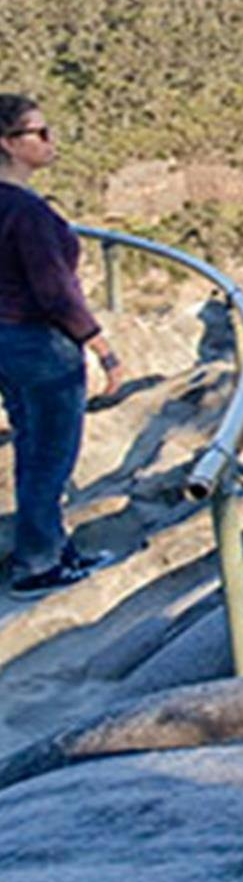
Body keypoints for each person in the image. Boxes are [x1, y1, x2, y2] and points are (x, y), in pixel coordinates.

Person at [0, 95, 121, 596]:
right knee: (52, 453)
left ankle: (51, 545)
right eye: (39, 133)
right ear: (8, 143)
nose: (50, 142)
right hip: (40, 344)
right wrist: (103, 349)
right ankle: (39, 564)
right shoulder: (25, 211)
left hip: (6, 342)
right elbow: (55, 292)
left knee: (33, 445)